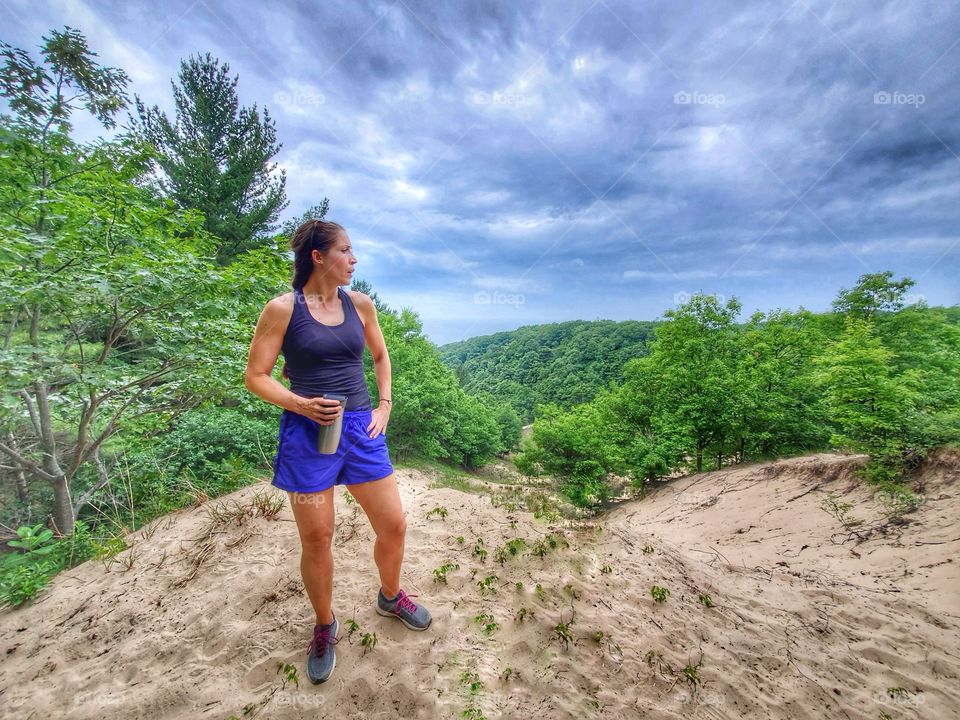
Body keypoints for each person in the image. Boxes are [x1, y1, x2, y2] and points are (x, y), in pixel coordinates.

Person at [244, 219, 432, 685]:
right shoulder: (282, 310)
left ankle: (390, 596)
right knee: (317, 537)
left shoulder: (360, 304)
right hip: (309, 433)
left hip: (361, 428)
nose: (354, 259)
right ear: (318, 257)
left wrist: (385, 404)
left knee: (394, 523)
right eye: (346, 251)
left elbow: (381, 358)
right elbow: (257, 376)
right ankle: (325, 625)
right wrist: (301, 404)